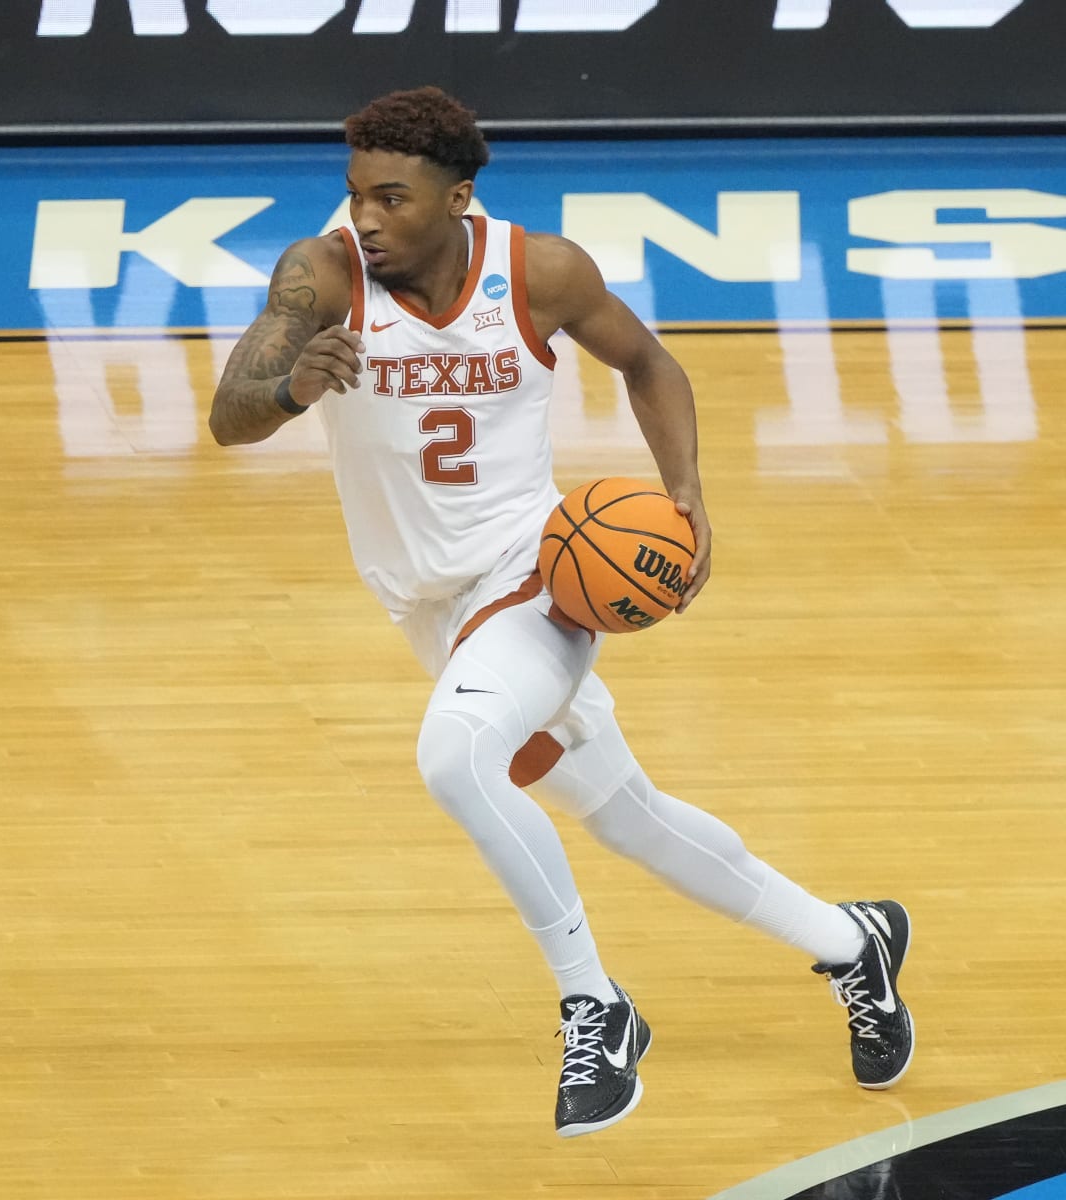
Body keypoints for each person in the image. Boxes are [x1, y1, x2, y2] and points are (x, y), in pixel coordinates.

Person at [209, 86, 913, 1138]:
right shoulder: (322, 278)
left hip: (537, 573)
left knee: (455, 759)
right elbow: (229, 418)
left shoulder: (542, 271)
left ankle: (597, 1003)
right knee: (622, 813)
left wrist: (687, 494)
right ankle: (854, 941)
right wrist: (290, 389)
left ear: (460, 197)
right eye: (354, 194)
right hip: (429, 609)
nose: (364, 217)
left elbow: (649, 364)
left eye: (392, 199)